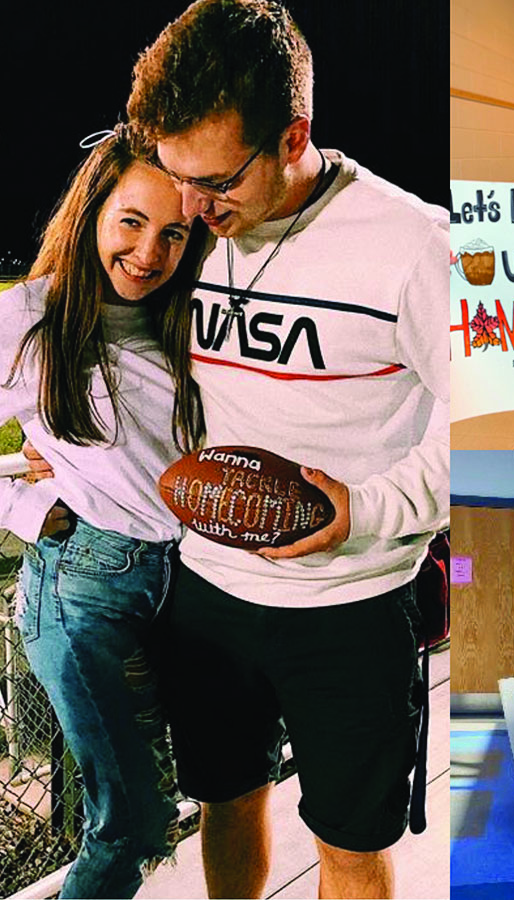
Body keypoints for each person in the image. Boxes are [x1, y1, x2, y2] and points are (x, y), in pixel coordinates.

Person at [124, 1, 449, 897]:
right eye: (175, 175)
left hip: (352, 603)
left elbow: (481, 423)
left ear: (294, 133)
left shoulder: (414, 244)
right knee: (228, 804)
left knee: (349, 844)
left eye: (218, 179)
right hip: (209, 593)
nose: (191, 206)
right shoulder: (186, 231)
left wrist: (365, 510)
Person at [1, 124, 208, 898]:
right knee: (133, 823)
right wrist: (21, 508)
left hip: (183, 584)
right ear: (92, 210)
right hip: (81, 588)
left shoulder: (187, 324)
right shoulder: (27, 319)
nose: (149, 253)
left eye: (173, 233)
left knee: (180, 799)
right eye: (131, 221)